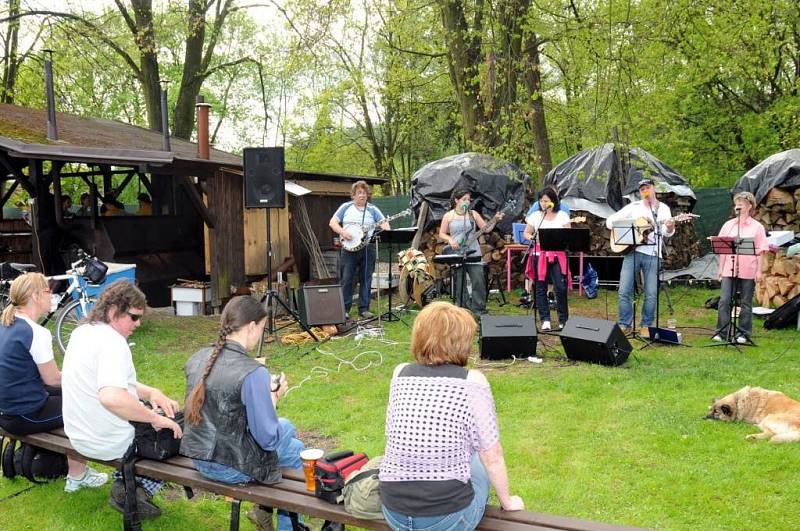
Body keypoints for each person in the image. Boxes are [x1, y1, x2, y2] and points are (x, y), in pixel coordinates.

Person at [379, 301, 524, 530]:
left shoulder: (400, 373)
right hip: (446, 518)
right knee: (478, 458)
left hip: (393, 510)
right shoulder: (472, 382)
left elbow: (391, 431)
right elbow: (492, 455)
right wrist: (508, 501)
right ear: (462, 341)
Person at [182, 295, 306, 531]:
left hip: (198, 458)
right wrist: (272, 400)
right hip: (230, 466)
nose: (261, 334)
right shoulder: (253, 372)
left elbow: (219, 412)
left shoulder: (198, 358)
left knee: (291, 438)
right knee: (292, 439)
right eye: (261, 328)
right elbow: (267, 440)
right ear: (251, 327)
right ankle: (286, 524)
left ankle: (269, 513)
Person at [62, 280, 182, 519]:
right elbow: (111, 396)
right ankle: (131, 486)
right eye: (134, 317)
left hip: (77, 436)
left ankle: (131, 484)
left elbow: (109, 382)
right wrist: (153, 418)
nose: (138, 324)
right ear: (112, 311)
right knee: (180, 426)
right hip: (108, 442)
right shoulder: (113, 343)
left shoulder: (81, 332)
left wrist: (150, 393)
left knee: (165, 415)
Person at [0, 273, 107, 493]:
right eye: (49, 291)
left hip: (6, 412)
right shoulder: (36, 333)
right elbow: (53, 379)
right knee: (83, 405)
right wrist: (91, 381)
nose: (53, 295)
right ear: (35, 295)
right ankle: (77, 476)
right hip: (23, 415)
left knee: (70, 396)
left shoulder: (5, 324)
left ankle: (67, 466)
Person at [605, 178, 675, 335]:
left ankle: (646, 325)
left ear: (654, 189)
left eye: (647, 188)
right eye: (642, 189)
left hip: (653, 254)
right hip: (632, 252)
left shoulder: (663, 209)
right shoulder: (634, 206)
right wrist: (631, 224)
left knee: (651, 292)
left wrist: (670, 227)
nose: (645, 191)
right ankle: (624, 323)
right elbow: (610, 222)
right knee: (624, 289)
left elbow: (666, 232)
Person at [712, 191, 767, 344]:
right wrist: (720, 269)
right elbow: (722, 248)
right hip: (729, 268)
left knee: (745, 302)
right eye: (737, 204)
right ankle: (722, 332)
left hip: (748, 269)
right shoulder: (728, 225)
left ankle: (743, 333)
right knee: (724, 300)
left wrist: (759, 271)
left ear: (750, 206)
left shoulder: (757, 227)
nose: (738, 207)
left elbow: (761, 251)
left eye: (741, 204)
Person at [329, 181, 390, 319]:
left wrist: (385, 229)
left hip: (367, 247)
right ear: (353, 195)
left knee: (366, 278)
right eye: (359, 193)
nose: (362, 195)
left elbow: (385, 223)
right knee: (347, 278)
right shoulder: (346, 207)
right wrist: (343, 232)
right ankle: (344, 309)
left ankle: (364, 309)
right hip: (348, 249)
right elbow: (332, 222)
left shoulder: (373, 209)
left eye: (364, 193)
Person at [523, 186, 571, 330]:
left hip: (557, 255)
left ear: (553, 201)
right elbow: (527, 233)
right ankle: (545, 319)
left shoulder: (562, 215)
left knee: (560, 287)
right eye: (541, 201)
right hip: (539, 254)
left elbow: (568, 235)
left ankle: (563, 319)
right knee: (540, 287)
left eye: (547, 201)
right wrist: (533, 238)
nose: (544, 203)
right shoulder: (536, 216)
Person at [438, 188, 490, 314]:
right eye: (464, 199)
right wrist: (450, 240)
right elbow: (441, 233)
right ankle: (463, 310)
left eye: (468, 199)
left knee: (478, 281)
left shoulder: (473, 214)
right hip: (457, 253)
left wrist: (496, 220)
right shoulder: (448, 215)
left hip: (474, 252)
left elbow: (486, 229)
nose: (467, 201)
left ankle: (479, 310)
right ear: (456, 200)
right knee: (460, 284)